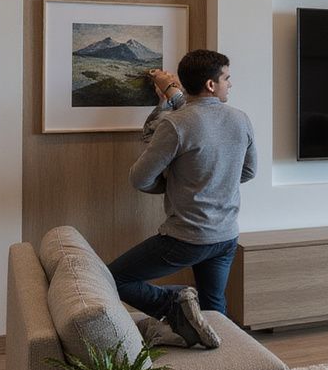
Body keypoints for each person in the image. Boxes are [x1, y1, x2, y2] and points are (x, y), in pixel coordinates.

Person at [108, 49, 256, 348]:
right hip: (225, 236)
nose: (231, 84)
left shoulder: (175, 123)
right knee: (214, 309)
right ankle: (225, 365)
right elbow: (249, 171)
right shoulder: (240, 119)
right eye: (227, 78)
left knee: (113, 279)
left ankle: (174, 304)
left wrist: (171, 185)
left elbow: (139, 178)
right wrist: (215, 180)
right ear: (211, 84)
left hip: (187, 237)